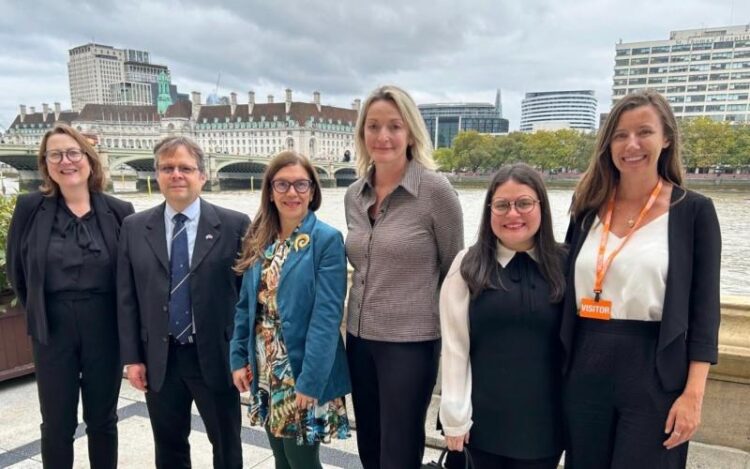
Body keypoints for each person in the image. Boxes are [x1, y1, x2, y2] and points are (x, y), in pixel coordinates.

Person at [561, 90, 721, 468]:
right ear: (608, 145)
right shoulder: (586, 210)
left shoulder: (693, 212)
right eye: (620, 135)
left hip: (654, 372)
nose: (631, 144)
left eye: (644, 132)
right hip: (585, 365)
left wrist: (693, 396)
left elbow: (704, 313)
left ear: (666, 139)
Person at [345, 85, 464, 468]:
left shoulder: (435, 191)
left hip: (410, 345)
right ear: (362, 133)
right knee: (369, 446)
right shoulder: (354, 194)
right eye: (373, 126)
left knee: (399, 452)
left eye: (394, 126)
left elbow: (454, 270)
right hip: (359, 340)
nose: (383, 136)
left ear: (411, 133)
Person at [6, 124, 134, 469]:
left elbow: (131, 277)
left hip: (104, 327)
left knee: (103, 419)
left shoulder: (120, 211)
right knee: (57, 423)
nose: (66, 161)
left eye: (73, 153)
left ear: (89, 159)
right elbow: (17, 270)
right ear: (45, 164)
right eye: (55, 155)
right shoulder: (30, 208)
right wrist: (39, 312)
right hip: (53, 328)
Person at [117, 136, 249, 469]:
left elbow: (246, 298)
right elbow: (127, 297)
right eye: (167, 168)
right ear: (157, 175)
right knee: (169, 447)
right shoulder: (134, 228)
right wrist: (132, 358)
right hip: (160, 358)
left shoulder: (234, 225)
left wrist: (243, 356)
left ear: (202, 176)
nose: (176, 174)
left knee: (227, 445)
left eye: (185, 168)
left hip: (216, 355)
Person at [439, 163, 565, 469]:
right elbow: (455, 347)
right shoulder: (467, 266)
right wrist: (454, 417)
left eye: (524, 203)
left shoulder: (566, 264)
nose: (513, 214)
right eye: (502, 205)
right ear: (489, 211)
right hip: (481, 425)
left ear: (541, 206)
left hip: (545, 426)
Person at [230, 150, 351, 469]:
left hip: (301, 368)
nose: (292, 192)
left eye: (301, 184)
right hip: (265, 366)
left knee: (302, 462)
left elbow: (327, 318)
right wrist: (238, 357)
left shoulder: (326, 240)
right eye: (282, 184)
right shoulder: (259, 237)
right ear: (270, 191)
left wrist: (310, 381)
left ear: (312, 191)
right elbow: (245, 307)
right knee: (281, 459)